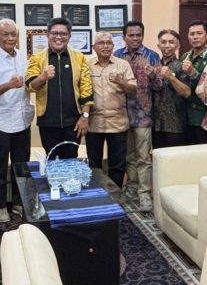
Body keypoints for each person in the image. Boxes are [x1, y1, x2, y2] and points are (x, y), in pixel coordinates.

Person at [0, 19, 34, 223]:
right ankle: (0, 206)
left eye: (14, 34)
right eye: (5, 34)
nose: (10, 38)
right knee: (0, 166)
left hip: (23, 119)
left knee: (21, 165)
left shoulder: (22, 56)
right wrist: (9, 85)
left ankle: (19, 202)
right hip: (2, 122)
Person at [26, 18, 93, 159]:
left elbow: (86, 88)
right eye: (54, 33)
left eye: (63, 34)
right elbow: (30, 86)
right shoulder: (36, 58)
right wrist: (43, 77)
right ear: (48, 35)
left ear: (69, 36)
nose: (58, 37)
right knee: (52, 160)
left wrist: (85, 117)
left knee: (71, 160)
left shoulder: (79, 57)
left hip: (73, 122)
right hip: (47, 121)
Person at [113, 21, 159, 211]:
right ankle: (131, 187)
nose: (135, 38)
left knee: (143, 157)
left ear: (143, 35)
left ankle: (144, 193)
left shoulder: (151, 56)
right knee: (128, 155)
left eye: (138, 35)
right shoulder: (117, 56)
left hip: (143, 114)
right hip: (121, 113)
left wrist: (154, 75)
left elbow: (159, 87)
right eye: (131, 35)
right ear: (124, 37)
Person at [86, 32, 137, 188]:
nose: (106, 46)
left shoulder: (122, 65)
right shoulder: (87, 65)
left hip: (117, 122)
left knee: (117, 164)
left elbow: (133, 89)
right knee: (94, 163)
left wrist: (121, 82)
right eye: (101, 43)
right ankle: (97, 195)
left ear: (113, 46)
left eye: (109, 43)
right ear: (94, 47)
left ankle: (116, 195)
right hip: (94, 123)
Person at [149, 29, 191, 149]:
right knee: (158, 157)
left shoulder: (182, 66)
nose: (167, 46)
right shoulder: (154, 66)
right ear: (158, 45)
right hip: (156, 124)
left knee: (175, 158)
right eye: (163, 42)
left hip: (176, 125)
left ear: (178, 45)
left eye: (171, 42)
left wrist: (171, 77)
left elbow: (187, 93)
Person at [180, 20, 207, 145]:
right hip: (186, 115)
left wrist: (193, 73)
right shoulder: (185, 56)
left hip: (204, 116)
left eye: (199, 33)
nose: (195, 37)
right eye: (192, 34)